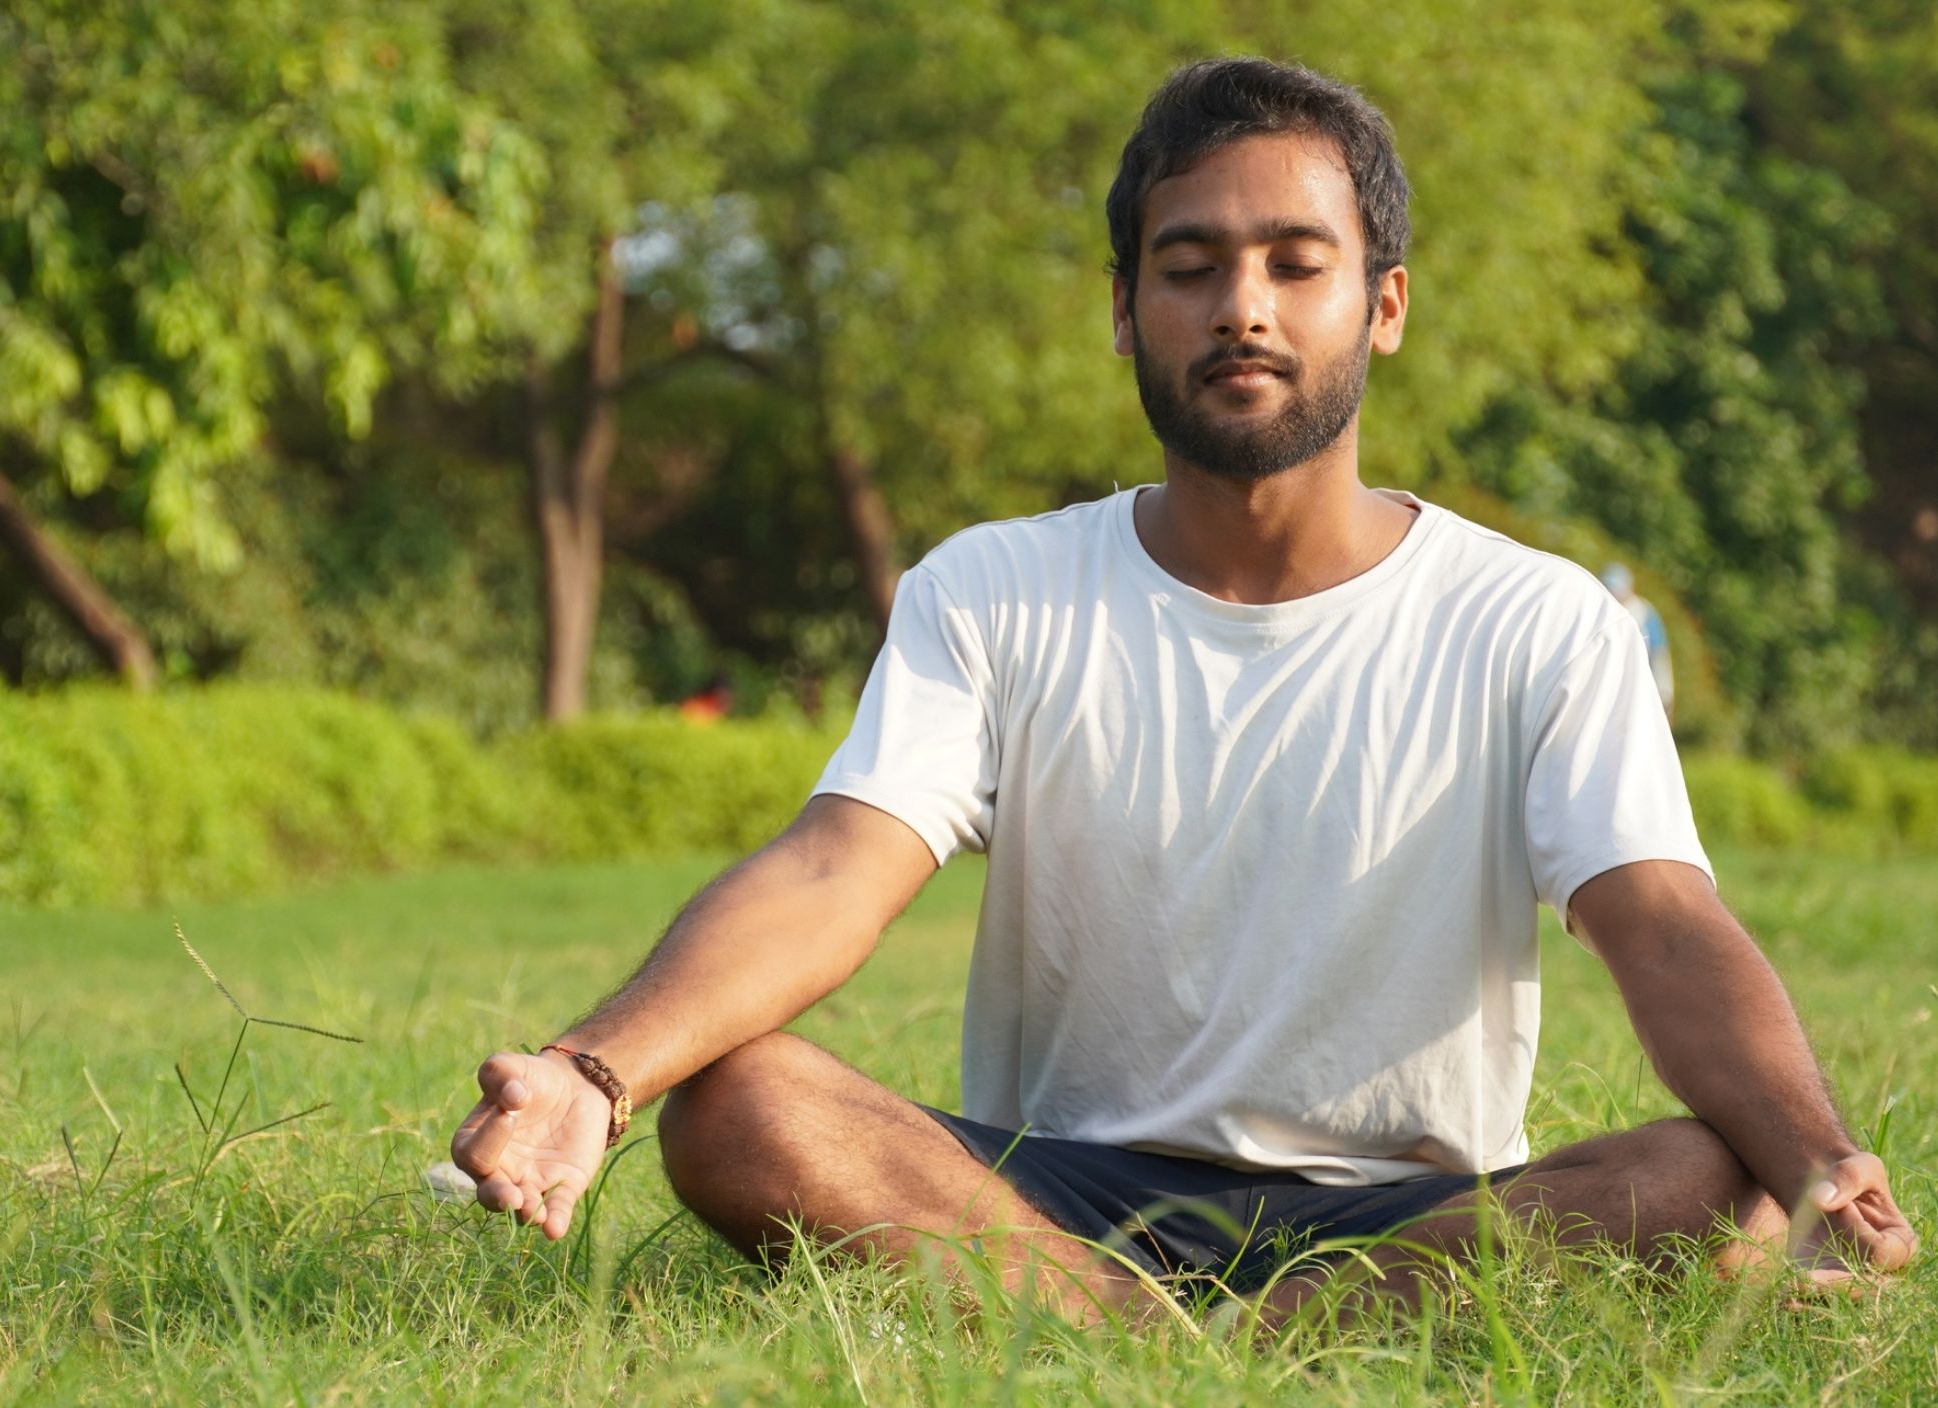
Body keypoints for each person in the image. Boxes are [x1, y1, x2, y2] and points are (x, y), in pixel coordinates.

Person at [447, 57, 1916, 1318]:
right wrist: (597, 1071)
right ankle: (1146, 1338)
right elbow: (838, 866)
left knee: (1708, 1179)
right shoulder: (995, 586)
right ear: (1124, 305)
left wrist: (1815, 1155)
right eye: (1190, 264)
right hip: (1041, 1197)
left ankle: (1185, 1344)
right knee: (739, 1102)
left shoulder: (1534, 619)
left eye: (1294, 261)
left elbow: (1658, 921)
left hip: (1405, 1217)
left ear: (1383, 304)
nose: (1242, 307)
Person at [1600, 562, 1675, 720]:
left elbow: (1658, 654)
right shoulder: (1602, 609)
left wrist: (1664, 693)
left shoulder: (1644, 613)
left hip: (1639, 689)